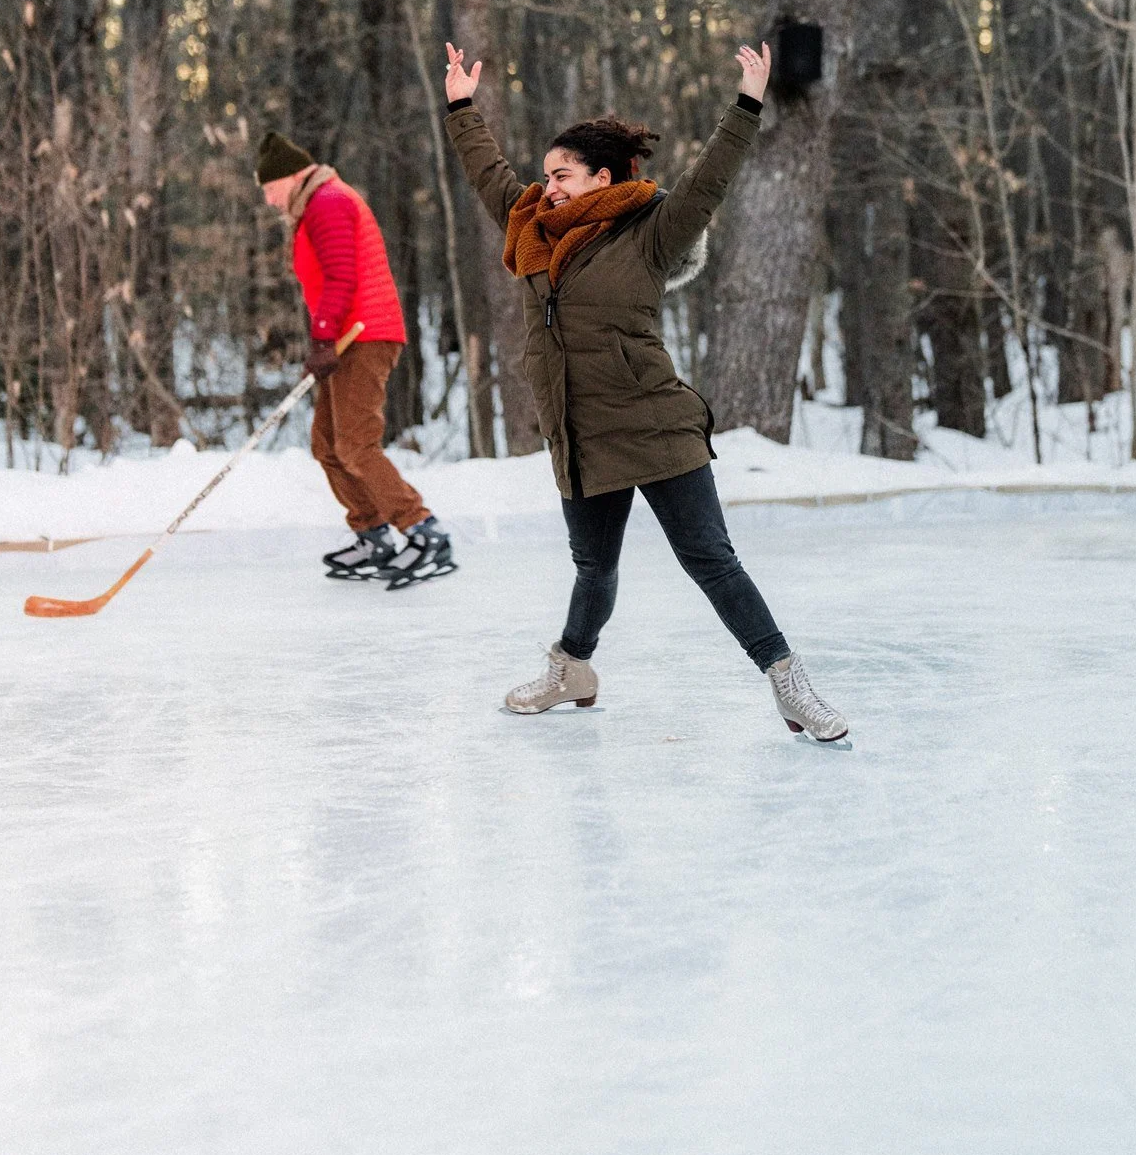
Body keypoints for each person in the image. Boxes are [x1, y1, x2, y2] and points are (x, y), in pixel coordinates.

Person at [442, 42, 847, 740]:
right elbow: (488, 176)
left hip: (654, 425)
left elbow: (708, 181)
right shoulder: (534, 230)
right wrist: (459, 107)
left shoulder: (652, 234)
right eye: (545, 176)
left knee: (710, 561)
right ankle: (572, 668)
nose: (549, 188)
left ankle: (788, 681)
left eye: (563, 175)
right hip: (577, 430)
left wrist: (748, 102)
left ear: (602, 176)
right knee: (592, 566)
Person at [254, 129, 455, 588]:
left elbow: (343, 277)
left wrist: (323, 338)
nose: (268, 201)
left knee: (355, 443)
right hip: (347, 337)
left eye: (269, 189)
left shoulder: (327, 202)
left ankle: (423, 531)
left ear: (290, 177)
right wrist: (323, 341)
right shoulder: (317, 204)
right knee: (327, 444)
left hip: (364, 335)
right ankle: (373, 534)